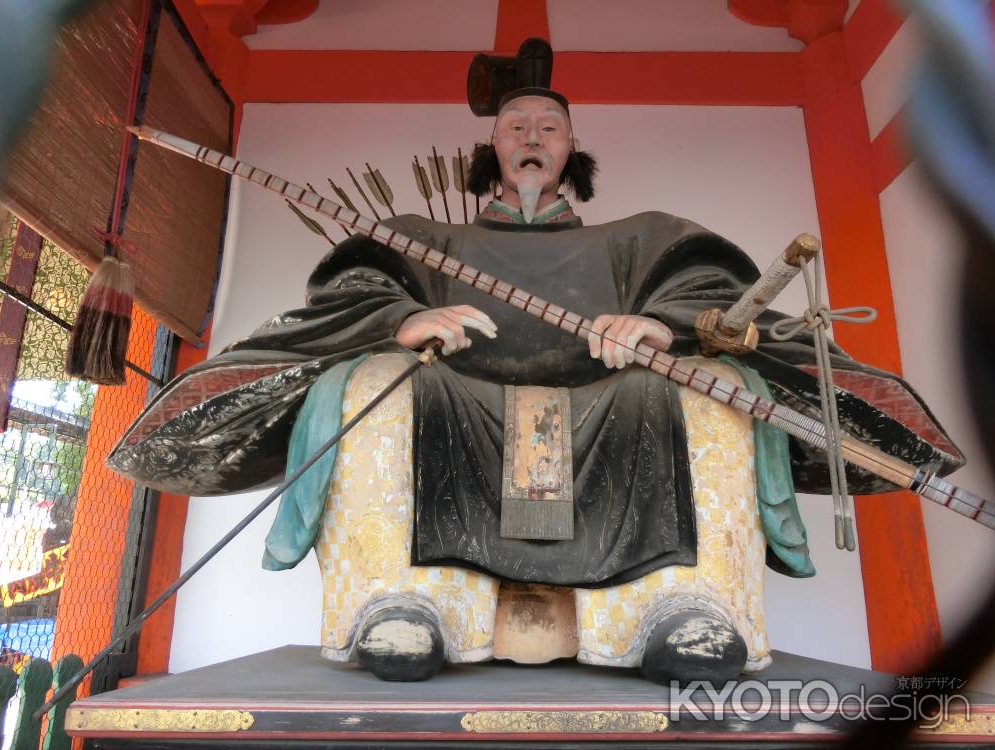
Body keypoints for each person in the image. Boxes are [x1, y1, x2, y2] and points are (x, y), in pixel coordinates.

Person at [108, 40, 964, 684]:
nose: (530, 136)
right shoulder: (427, 237)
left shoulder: (634, 239)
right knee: (369, 382)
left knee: (716, 390)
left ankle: (678, 608)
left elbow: (706, 285)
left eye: (547, 127)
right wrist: (405, 317)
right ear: (492, 147)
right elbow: (357, 284)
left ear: (569, 152)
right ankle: (407, 604)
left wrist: (662, 325)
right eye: (515, 125)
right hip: (457, 399)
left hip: (614, 403)